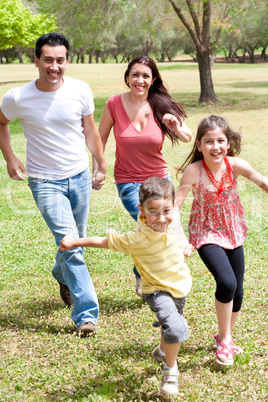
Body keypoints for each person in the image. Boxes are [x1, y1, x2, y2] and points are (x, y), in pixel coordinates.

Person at [0, 32, 106, 336]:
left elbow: (90, 130)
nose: (54, 66)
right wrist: (10, 157)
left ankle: (61, 273)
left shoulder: (80, 90)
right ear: (36, 61)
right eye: (48, 59)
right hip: (44, 181)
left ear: (67, 62)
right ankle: (86, 314)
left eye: (60, 60)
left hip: (79, 176)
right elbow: (1, 122)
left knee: (78, 239)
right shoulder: (18, 97)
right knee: (72, 244)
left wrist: (100, 163)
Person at [59, 177, 193, 396]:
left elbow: (176, 235)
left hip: (179, 286)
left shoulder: (171, 219)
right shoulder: (136, 238)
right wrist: (75, 242)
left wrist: (184, 245)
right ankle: (170, 370)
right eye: (153, 212)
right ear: (142, 210)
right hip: (157, 290)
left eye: (166, 211)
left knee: (169, 326)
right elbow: (103, 241)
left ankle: (161, 351)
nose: (161, 219)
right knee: (176, 327)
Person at [175, 115, 268, 366]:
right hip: (206, 233)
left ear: (228, 143)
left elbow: (262, 181)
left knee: (238, 290)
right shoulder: (193, 172)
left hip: (233, 231)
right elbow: (175, 207)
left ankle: (224, 335)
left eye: (220, 140)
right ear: (198, 145)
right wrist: (181, 239)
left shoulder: (236, 165)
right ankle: (225, 341)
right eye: (208, 142)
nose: (215, 146)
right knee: (226, 283)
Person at [96, 55, 192, 297]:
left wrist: (175, 126)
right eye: (135, 74)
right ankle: (151, 279)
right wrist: (100, 166)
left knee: (154, 230)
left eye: (145, 76)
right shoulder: (114, 103)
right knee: (152, 227)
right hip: (128, 181)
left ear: (153, 79)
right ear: (127, 77)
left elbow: (187, 136)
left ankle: (147, 278)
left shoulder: (160, 104)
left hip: (160, 179)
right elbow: (100, 139)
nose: (140, 80)